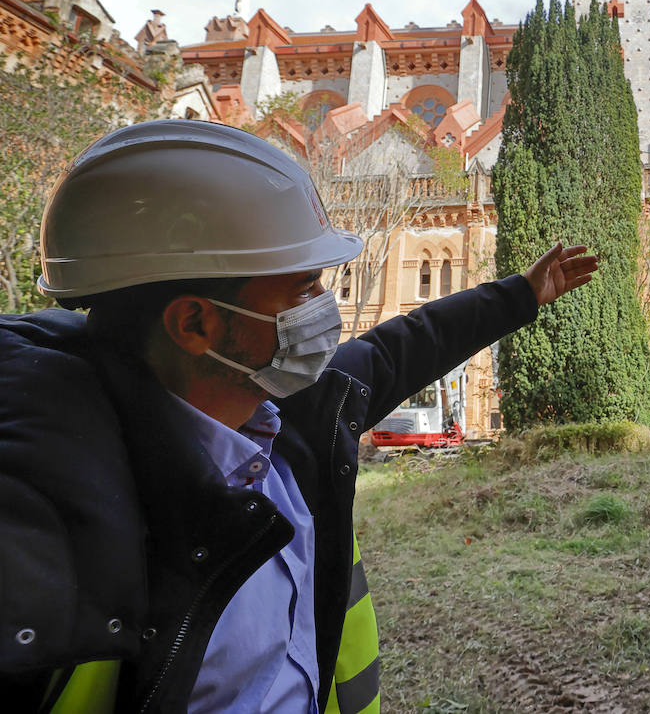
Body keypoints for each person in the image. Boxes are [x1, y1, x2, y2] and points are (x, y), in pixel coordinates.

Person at [0, 120, 596, 713]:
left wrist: (520, 294)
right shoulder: (43, 516)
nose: (324, 309)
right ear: (195, 323)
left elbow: (399, 349)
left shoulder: (282, 410)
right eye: (303, 288)